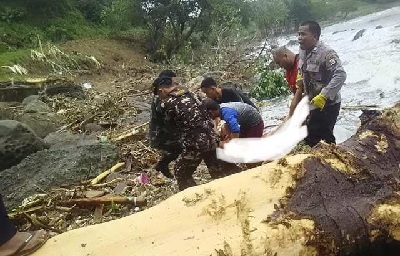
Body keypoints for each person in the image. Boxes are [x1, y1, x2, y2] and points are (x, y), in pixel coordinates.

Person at [153, 76, 241, 190]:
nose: (160, 97)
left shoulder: (166, 104)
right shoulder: (191, 94)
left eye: (159, 95)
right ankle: (235, 189)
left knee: (181, 173)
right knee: (217, 169)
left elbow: (171, 128)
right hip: (212, 138)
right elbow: (205, 113)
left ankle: (196, 200)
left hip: (194, 144)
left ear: (161, 90)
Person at [297, 21, 346, 147]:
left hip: (328, 104)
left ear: (315, 36)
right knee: (310, 136)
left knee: (324, 139)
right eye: (298, 34)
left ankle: (334, 162)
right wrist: (300, 76)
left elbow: (340, 75)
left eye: (303, 34)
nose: (299, 38)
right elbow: (302, 66)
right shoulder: (302, 51)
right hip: (313, 102)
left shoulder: (327, 53)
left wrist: (324, 95)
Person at [149, 70, 182, 178]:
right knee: (181, 147)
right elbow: (167, 117)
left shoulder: (160, 94)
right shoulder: (161, 97)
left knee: (178, 149)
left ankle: (163, 165)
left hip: (162, 129)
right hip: (161, 131)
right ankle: (163, 165)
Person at [272, 46, 304, 118]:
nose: (280, 66)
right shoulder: (288, 73)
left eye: (279, 63)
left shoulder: (302, 64)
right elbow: (295, 94)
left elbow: (300, 93)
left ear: (285, 56)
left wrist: (290, 115)